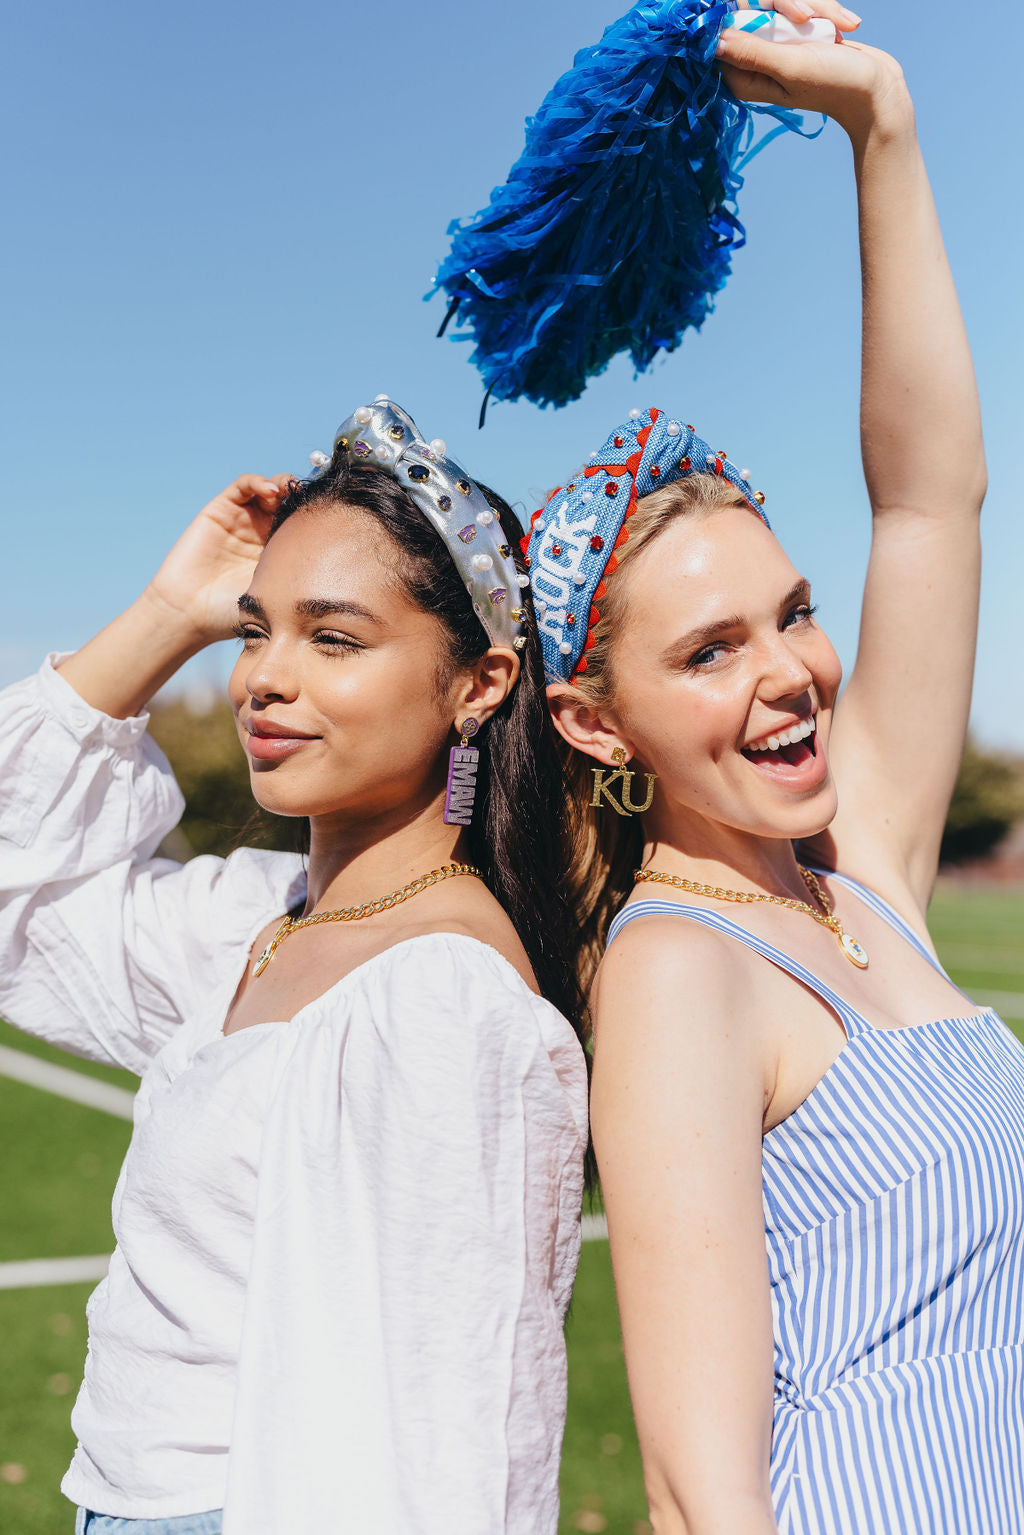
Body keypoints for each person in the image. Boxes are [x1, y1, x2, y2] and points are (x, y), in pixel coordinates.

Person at [525, 10, 1017, 1533]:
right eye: (709, 650)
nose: (790, 671)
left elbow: (930, 500)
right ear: (597, 723)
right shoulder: (678, 971)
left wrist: (884, 131)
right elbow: (696, 1484)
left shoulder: (860, 862)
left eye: (792, 614)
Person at [0, 397, 588, 1535]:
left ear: (479, 681)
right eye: (252, 629)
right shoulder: (252, 920)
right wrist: (171, 612)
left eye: (334, 637)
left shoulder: (448, 998)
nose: (262, 677)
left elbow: (453, 1448)